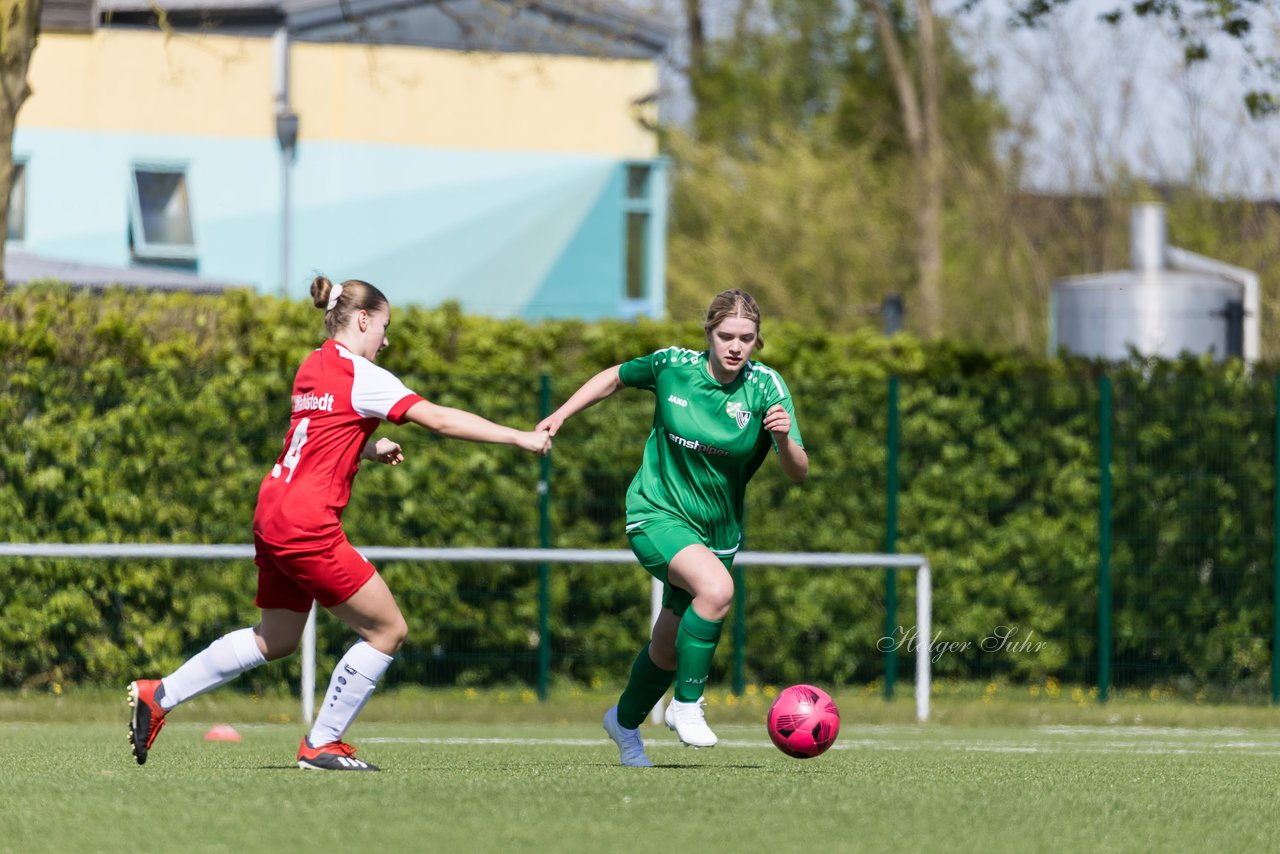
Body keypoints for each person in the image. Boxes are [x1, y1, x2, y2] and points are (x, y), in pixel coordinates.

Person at [128, 275, 552, 772]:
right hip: (307, 522)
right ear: (364, 319)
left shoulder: (313, 363)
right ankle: (323, 743)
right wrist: (519, 438)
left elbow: (315, 437)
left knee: (277, 638)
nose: (387, 341)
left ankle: (159, 694)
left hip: (272, 511)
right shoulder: (365, 375)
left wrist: (366, 448)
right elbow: (437, 418)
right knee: (388, 629)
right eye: (385, 327)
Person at [536, 288, 808, 767]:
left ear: (757, 341)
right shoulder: (672, 366)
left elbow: (799, 471)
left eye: (746, 338)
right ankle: (687, 706)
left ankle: (623, 722)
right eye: (726, 335)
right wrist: (559, 415)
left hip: (717, 534)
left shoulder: (766, 387)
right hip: (654, 512)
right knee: (717, 589)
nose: (735, 346)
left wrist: (784, 440)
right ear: (709, 333)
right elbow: (613, 378)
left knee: (666, 648)